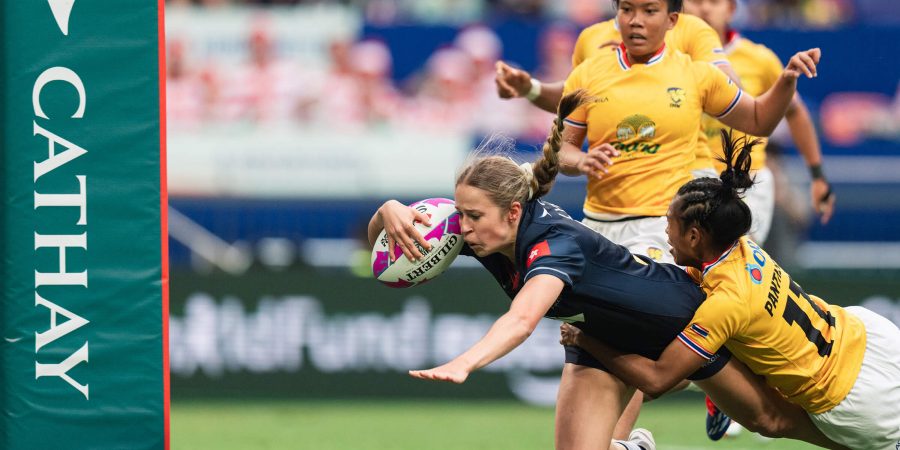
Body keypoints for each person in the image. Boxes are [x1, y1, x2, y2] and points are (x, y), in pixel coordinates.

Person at [368, 92, 846, 450]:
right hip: (607, 340)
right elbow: (387, 254)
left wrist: (463, 363)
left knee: (773, 420)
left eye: (473, 216)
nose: (462, 227)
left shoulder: (552, 247)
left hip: (679, 325)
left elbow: (522, 320)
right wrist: (387, 209)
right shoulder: (487, 231)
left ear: (513, 212)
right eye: (461, 213)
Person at [559, 131, 900, 450]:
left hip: (851, 394)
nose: (664, 230)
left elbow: (657, 379)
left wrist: (584, 340)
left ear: (694, 237)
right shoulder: (745, 248)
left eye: (670, 222)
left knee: (772, 419)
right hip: (865, 337)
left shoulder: (725, 303)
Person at [684, 0, 836, 244]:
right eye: (695, 1)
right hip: (686, 178)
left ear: (731, 9)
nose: (704, 9)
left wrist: (817, 175)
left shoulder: (758, 59)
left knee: (729, 257)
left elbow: (795, 111)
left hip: (744, 182)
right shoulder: (671, 60)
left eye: (713, 2)